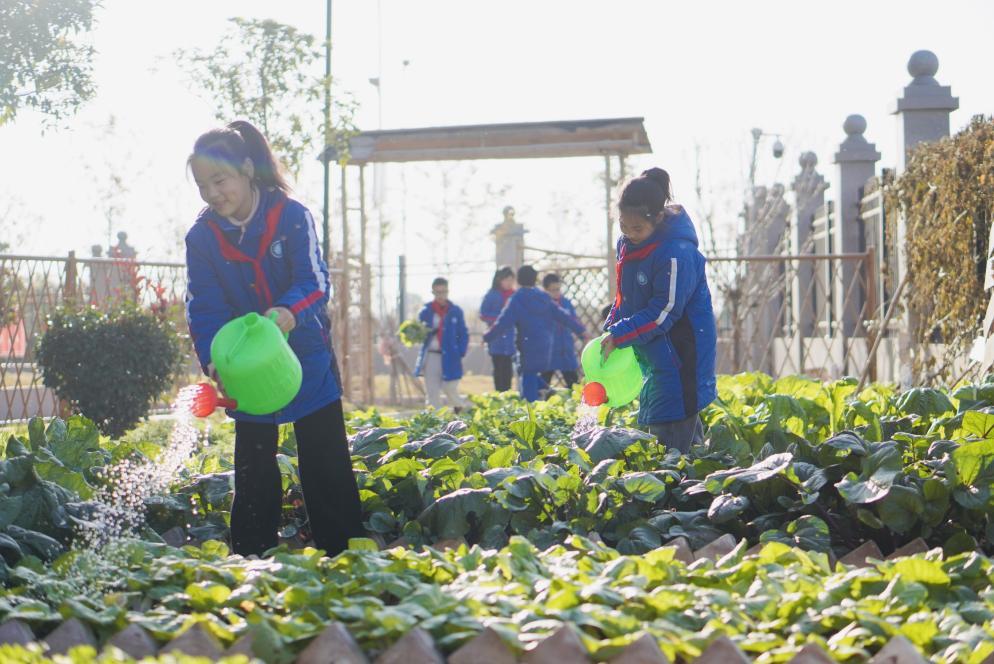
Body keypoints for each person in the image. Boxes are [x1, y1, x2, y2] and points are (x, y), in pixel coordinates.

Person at [184, 120, 364, 557]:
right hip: (246, 365)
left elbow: (316, 282)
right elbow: (203, 307)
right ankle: (251, 557)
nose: (212, 194)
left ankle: (345, 555)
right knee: (252, 468)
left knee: (325, 461)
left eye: (220, 180)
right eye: (203, 186)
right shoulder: (202, 237)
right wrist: (214, 360)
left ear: (247, 169)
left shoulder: (291, 216)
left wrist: (286, 313)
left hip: (304, 356)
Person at [601, 168, 717, 454]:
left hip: (681, 351)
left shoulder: (676, 253)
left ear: (659, 218)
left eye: (637, 228)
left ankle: (683, 490)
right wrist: (612, 328)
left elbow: (663, 312)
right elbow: (625, 297)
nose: (629, 233)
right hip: (655, 351)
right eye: (623, 226)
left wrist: (622, 334)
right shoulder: (627, 245)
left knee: (674, 424)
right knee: (667, 421)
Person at [484, 265, 585, 402]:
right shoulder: (544, 297)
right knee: (529, 374)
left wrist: (488, 336)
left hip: (527, 346)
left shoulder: (517, 299)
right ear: (534, 280)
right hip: (546, 346)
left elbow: (503, 322)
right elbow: (563, 316)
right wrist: (581, 330)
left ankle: (531, 407)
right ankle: (548, 391)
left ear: (518, 281)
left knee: (527, 379)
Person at [414, 277, 469, 411]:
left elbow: (463, 333)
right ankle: (435, 422)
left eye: (443, 292)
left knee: (449, 387)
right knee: (432, 393)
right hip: (432, 355)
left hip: (450, 355)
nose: (441, 296)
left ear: (447, 291)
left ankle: (462, 412)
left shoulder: (455, 311)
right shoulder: (426, 311)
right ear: (433, 292)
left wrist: (460, 351)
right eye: (437, 292)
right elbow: (418, 333)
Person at [541, 273, 582, 389]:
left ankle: (576, 403)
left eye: (558, 289)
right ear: (545, 290)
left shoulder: (566, 303)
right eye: (552, 290)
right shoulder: (543, 305)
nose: (556, 292)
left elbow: (574, 321)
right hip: (549, 349)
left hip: (565, 347)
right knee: (544, 380)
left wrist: (582, 333)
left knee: (573, 382)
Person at [480, 266, 516, 391]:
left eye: (511, 279)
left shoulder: (514, 295)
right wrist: (500, 319)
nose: (509, 282)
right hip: (496, 339)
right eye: (506, 279)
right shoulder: (492, 295)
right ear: (499, 279)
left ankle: (507, 394)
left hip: (511, 339)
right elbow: (483, 314)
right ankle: (499, 395)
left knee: (508, 370)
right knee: (498, 369)